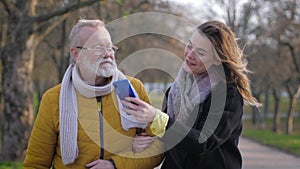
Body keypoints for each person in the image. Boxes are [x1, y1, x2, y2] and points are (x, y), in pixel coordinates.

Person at [23, 19, 163, 169]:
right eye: (98, 48)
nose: (108, 54)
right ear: (76, 53)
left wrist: (115, 165)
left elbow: (158, 148)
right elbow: (36, 163)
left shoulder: (132, 88)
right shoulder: (53, 99)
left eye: (110, 48)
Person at [122, 20, 261, 169]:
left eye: (200, 52)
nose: (190, 54)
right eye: (189, 46)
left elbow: (203, 141)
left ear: (217, 59)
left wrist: (157, 118)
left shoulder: (228, 95)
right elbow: (169, 136)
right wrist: (147, 140)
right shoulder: (175, 91)